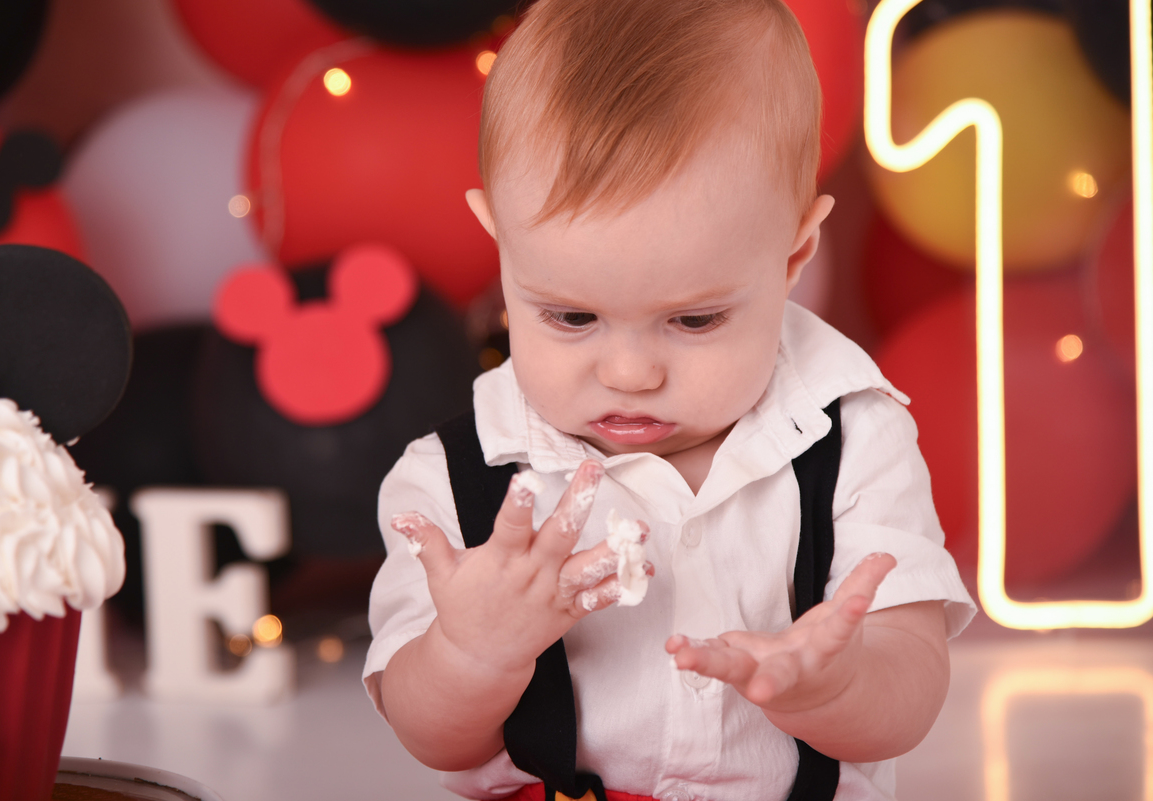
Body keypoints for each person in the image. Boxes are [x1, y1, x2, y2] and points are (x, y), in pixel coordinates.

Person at [363, 1, 976, 799]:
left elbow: (911, 684)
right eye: (571, 316)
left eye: (694, 319)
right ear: (500, 243)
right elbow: (432, 737)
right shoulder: (457, 477)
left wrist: (836, 684)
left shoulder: (855, 436)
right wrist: (473, 653)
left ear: (793, 254)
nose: (629, 372)